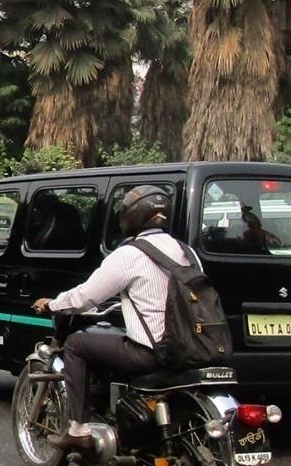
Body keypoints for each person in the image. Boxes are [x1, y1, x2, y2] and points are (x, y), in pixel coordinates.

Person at [32, 185, 186, 449]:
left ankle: (79, 429)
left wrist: (53, 304)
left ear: (133, 216)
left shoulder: (130, 254)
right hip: (190, 350)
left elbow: (85, 297)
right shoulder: (185, 250)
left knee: (77, 345)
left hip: (152, 353)